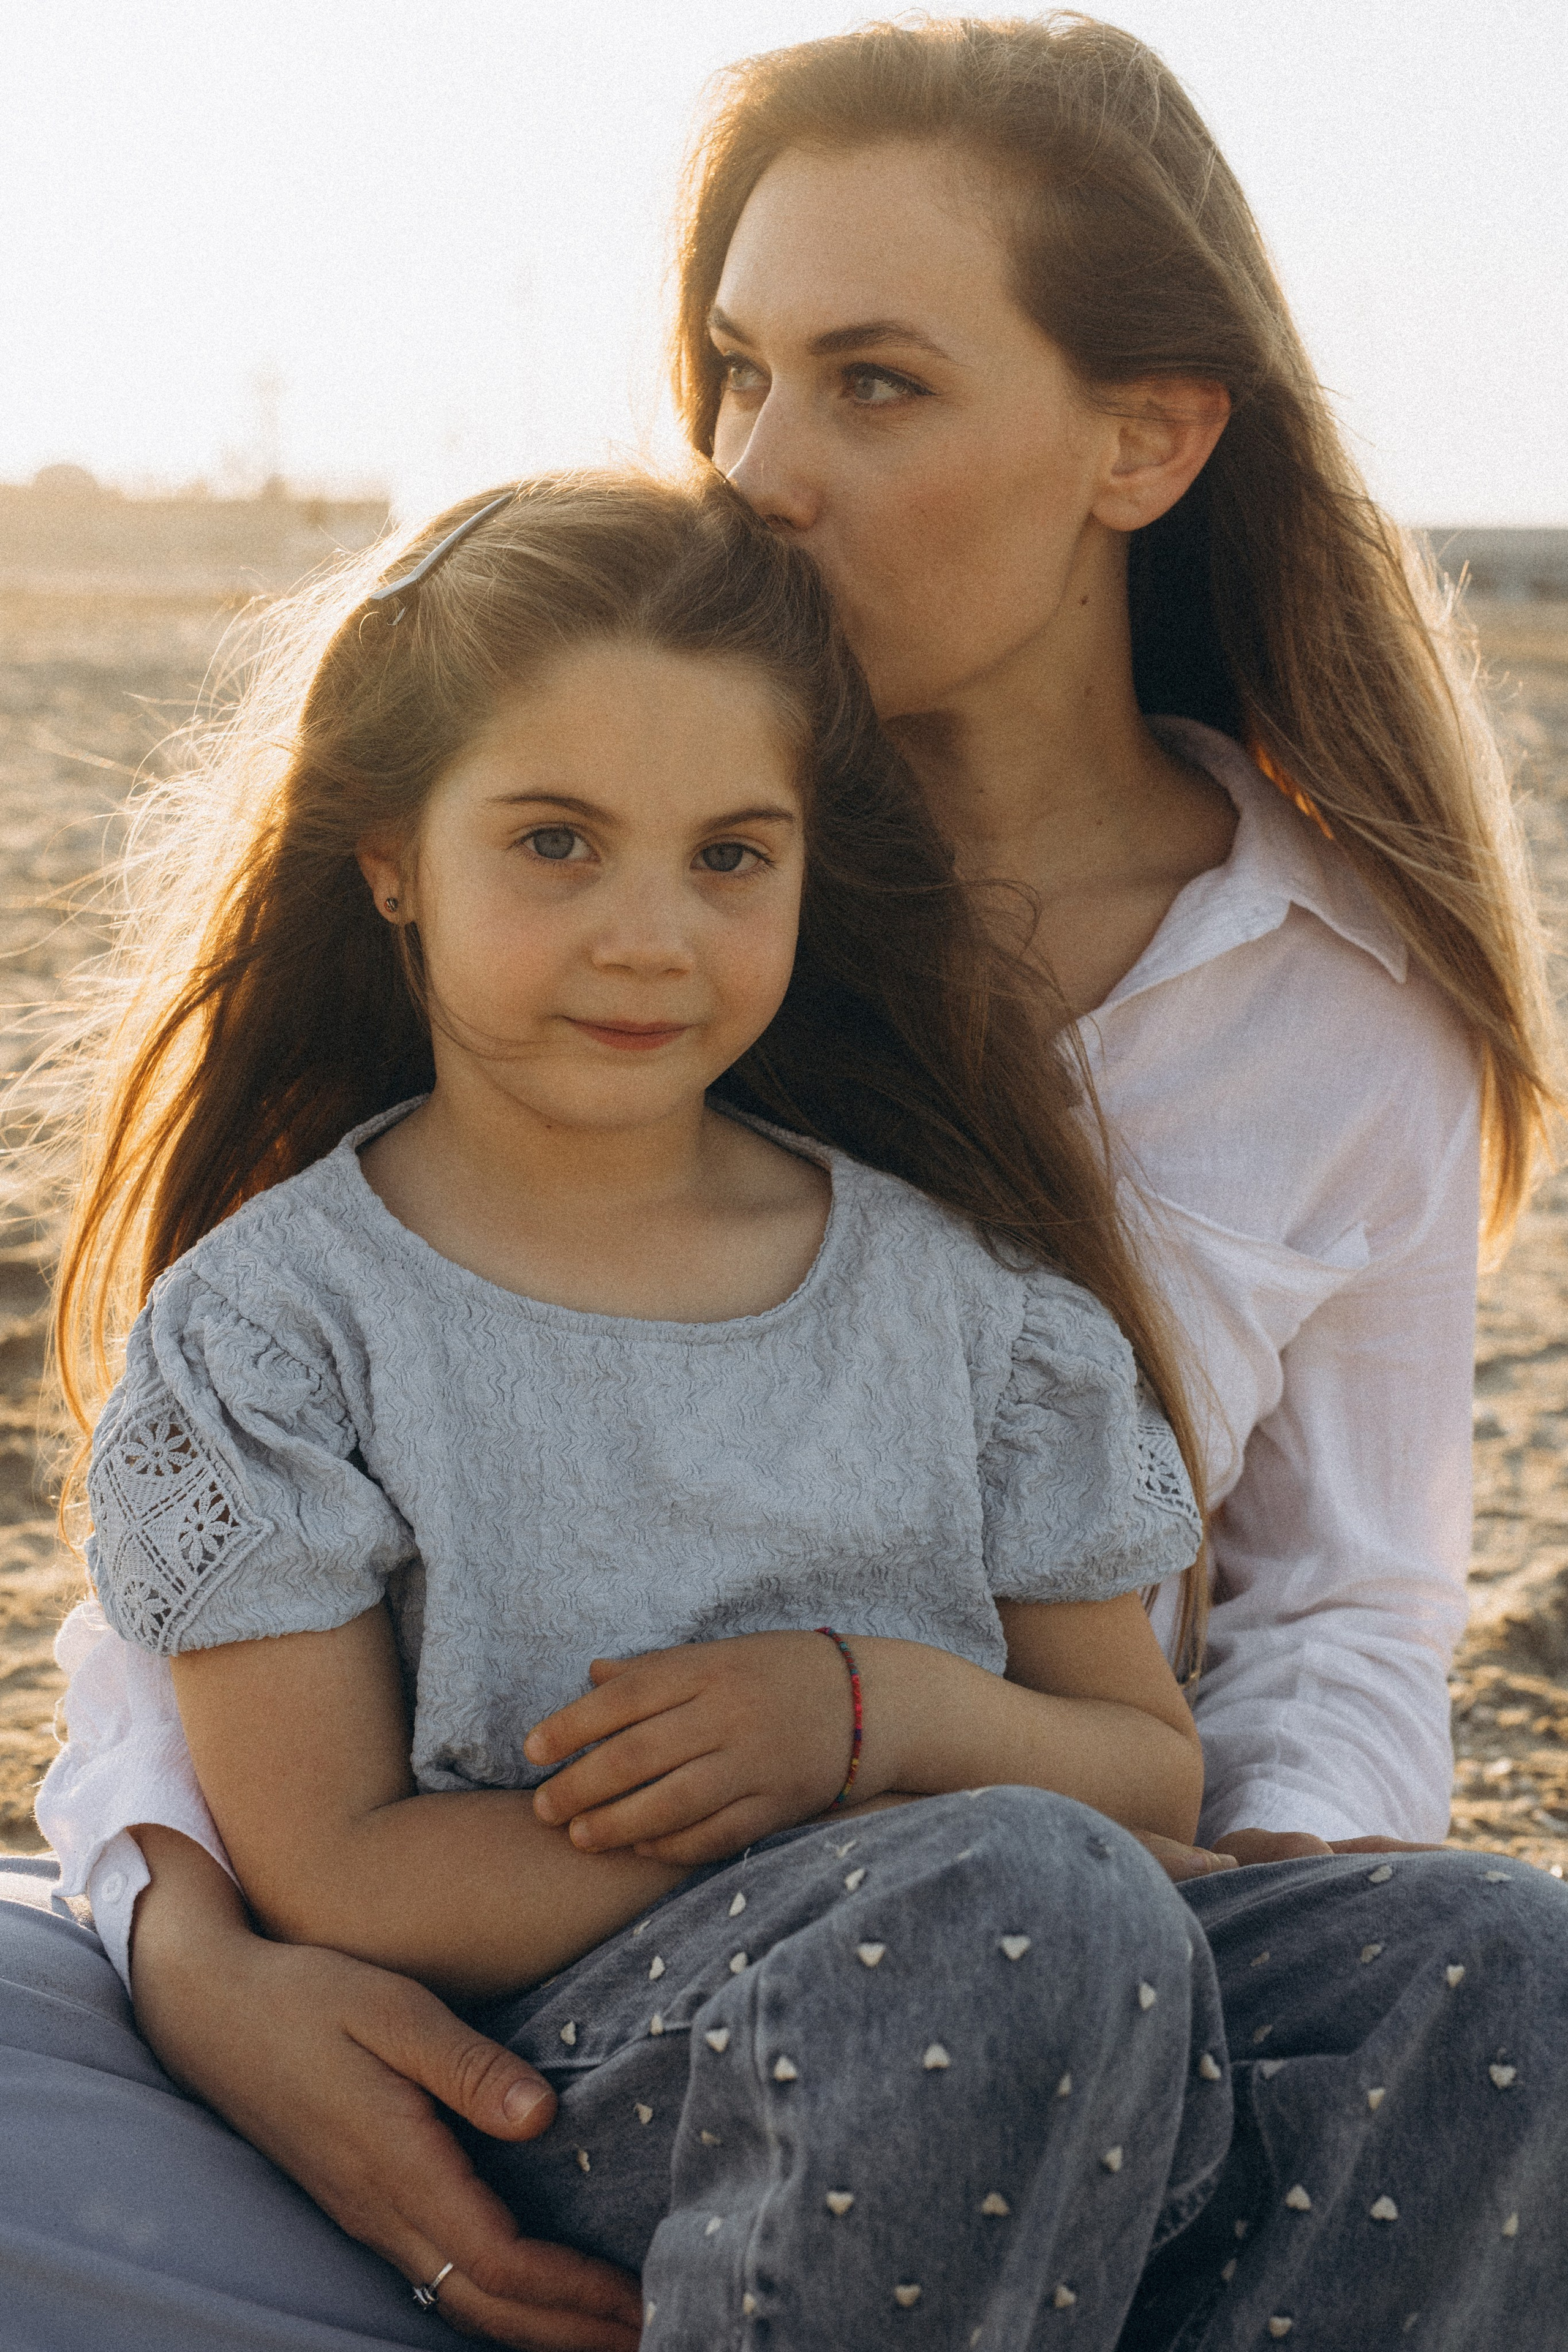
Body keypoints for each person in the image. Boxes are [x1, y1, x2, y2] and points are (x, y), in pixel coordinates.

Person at [6, 15, 1567, 2351]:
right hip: (521, 1959)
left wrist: (1150, 1915)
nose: (756, 470)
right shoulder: (613, 874)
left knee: (1503, 1968)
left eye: (874, 384)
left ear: (1143, 439)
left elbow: (1337, 1621)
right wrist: (201, 1948)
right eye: (735, 371)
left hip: (1075, 1889)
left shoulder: (1339, 1008)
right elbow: (237, 1515)